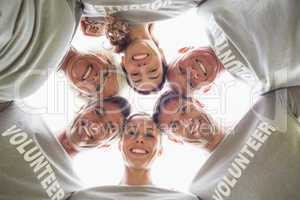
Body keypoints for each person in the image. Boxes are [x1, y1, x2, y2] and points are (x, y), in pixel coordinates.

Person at [153, 89, 300, 200]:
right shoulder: (199, 189)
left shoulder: (266, 106)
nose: (186, 122)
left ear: (198, 103)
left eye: (184, 110)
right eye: (174, 126)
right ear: (175, 140)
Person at [0, 96, 130, 200]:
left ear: (105, 145)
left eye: (109, 128)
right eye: (97, 112)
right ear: (82, 108)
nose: (96, 125)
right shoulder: (20, 112)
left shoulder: (72, 191)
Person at [68, 113, 198, 200]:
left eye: (149, 135)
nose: (140, 139)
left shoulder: (182, 198)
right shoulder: (86, 197)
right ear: (120, 145)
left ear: (160, 150)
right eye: (131, 132)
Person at [80, 0, 198, 94]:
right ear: (161, 55)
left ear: (123, 63)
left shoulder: (93, 17)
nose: (142, 67)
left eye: (135, 75)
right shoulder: (176, 8)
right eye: (153, 71)